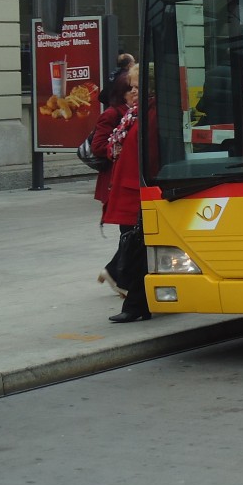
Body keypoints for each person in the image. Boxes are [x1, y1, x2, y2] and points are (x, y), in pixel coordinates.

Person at [103, 64, 151, 323]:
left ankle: (135, 305)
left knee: (136, 250)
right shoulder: (133, 115)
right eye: (130, 88)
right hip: (129, 192)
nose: (131, 93)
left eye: (135, 87)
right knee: (135, 249)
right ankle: (137, 303)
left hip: (139, 195)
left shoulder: (149, 115)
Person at [92, 69, 132, 297]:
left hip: (124, 178)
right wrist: (118, 148)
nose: (136, 92)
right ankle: (116, 274)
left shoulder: (132, 112)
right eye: (131, 89)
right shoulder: (112, 113)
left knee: (131, 232)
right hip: (114, 181)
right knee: (131, 232)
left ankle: (116, 274)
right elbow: (98, 146)